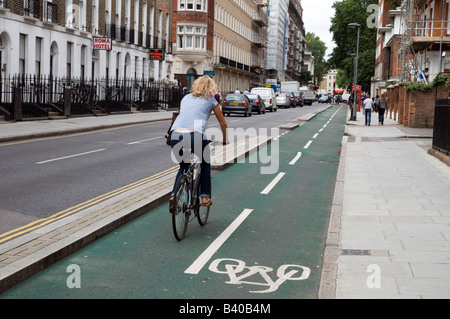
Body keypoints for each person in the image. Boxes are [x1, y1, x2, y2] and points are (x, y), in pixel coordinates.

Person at [169, 76, 228, 208]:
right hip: (194, 136)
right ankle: (205, 197)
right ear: (212, 87)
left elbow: (180, 115)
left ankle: (174, 195)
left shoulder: (185, 98)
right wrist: (225, 139)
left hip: (175, 135)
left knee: (184, 165)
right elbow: (223, 123)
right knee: (205, 161)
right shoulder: (211, 99)